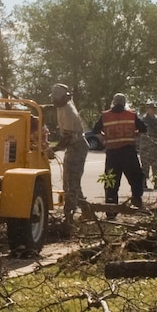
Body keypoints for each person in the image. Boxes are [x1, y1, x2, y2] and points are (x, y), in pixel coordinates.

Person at [92, 92, 147, 211]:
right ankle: (137, 201)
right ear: (124, 103)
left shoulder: (105, 116)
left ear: (113, 102)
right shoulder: (131, 115)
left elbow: (95, 130)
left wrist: (104, 137)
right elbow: (144, 128)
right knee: (136, 177)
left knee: (111, 181)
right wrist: (134, 133)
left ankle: (111, 209)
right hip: (128, 152)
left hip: (112, 154)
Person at [48, 83, 89, 222]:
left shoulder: (68, 111)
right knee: (71, 181)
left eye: (56, 99)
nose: (54, 102)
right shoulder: (61, 107)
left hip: (77, 147)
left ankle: (69, 215)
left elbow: (67, 138)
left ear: (64, 98)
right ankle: (86, 210)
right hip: (73, 147)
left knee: (71, 183)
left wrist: (53, 149)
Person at [138, 102, 157, 178]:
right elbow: (139, 133)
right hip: (145, 147)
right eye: (152, 108)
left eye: (154, 108)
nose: (154, 110)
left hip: (155, 146)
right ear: (147, 109)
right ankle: (143, 184)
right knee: (145, 165)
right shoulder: (143, 120)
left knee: (156, 165)